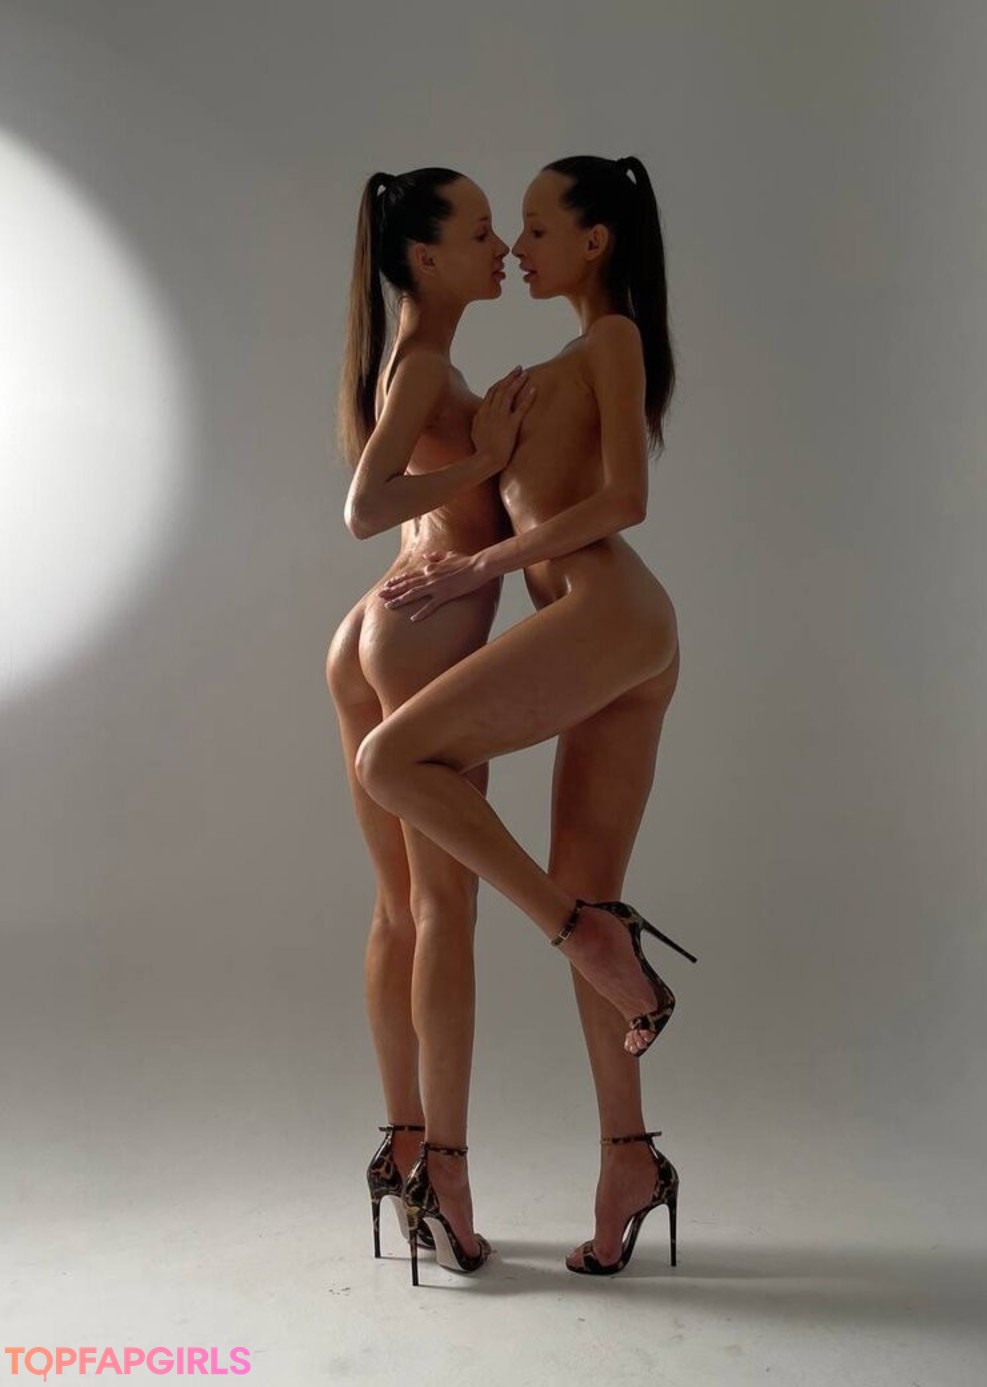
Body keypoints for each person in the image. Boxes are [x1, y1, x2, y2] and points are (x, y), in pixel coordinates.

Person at [360, 154, 698, 1282]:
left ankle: (578, 932)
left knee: (394, 759)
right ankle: (630, 1159)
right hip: (608, 634)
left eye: (540, 227)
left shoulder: (611, 340)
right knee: (586, 883)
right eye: (507, 229)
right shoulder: (547, 362)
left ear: (596, 243)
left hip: (610, 613)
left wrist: (480, 567)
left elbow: (626, 501)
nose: (519, 246)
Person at [325, 166, 534, 1280]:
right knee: (443, 907)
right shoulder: (421, 366)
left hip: (374, 633)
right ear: (423, 256)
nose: (501, 247)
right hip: (414, 638)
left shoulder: (415, 359)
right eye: (482, 231)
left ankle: (402, 1145)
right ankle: (442, 1182)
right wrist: (488, 462)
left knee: (402, 908)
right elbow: (365, 508)